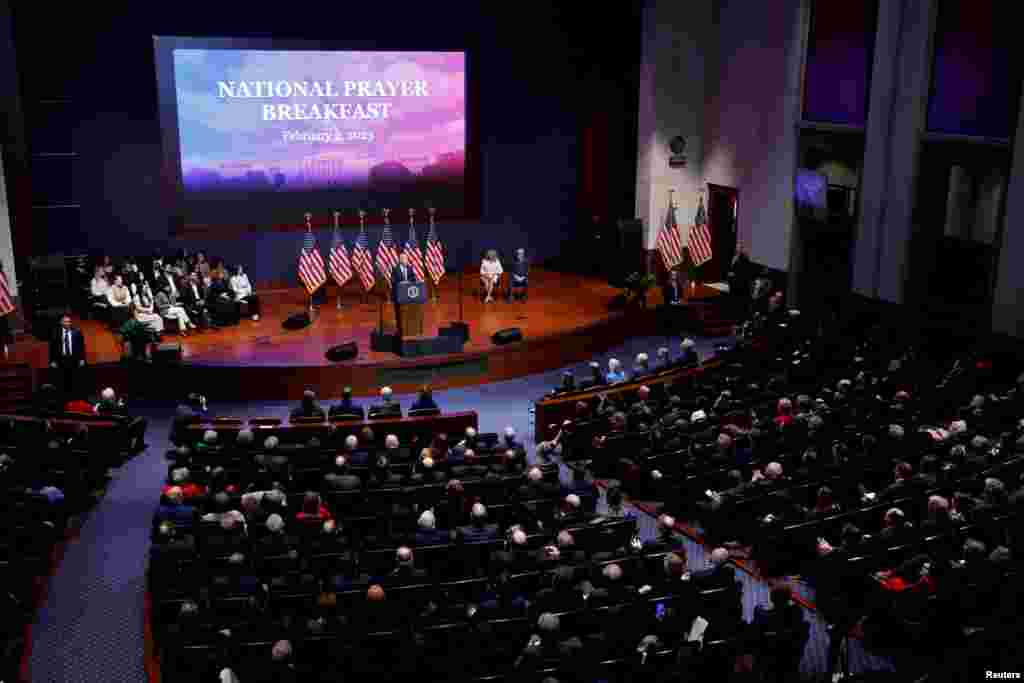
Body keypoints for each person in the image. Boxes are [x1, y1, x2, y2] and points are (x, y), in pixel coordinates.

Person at [49, 314, 86, 396]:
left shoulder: (77, 332)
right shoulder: (55, 333)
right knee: (63, 381)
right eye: (65, 321)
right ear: (61, 323)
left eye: (69, 322)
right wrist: (52, 361)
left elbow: (81, 346)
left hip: (74, 360)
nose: (68, 323)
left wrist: (82, 359)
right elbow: (52, 348)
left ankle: (74, 395)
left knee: (74, 380)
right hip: (61, 360)